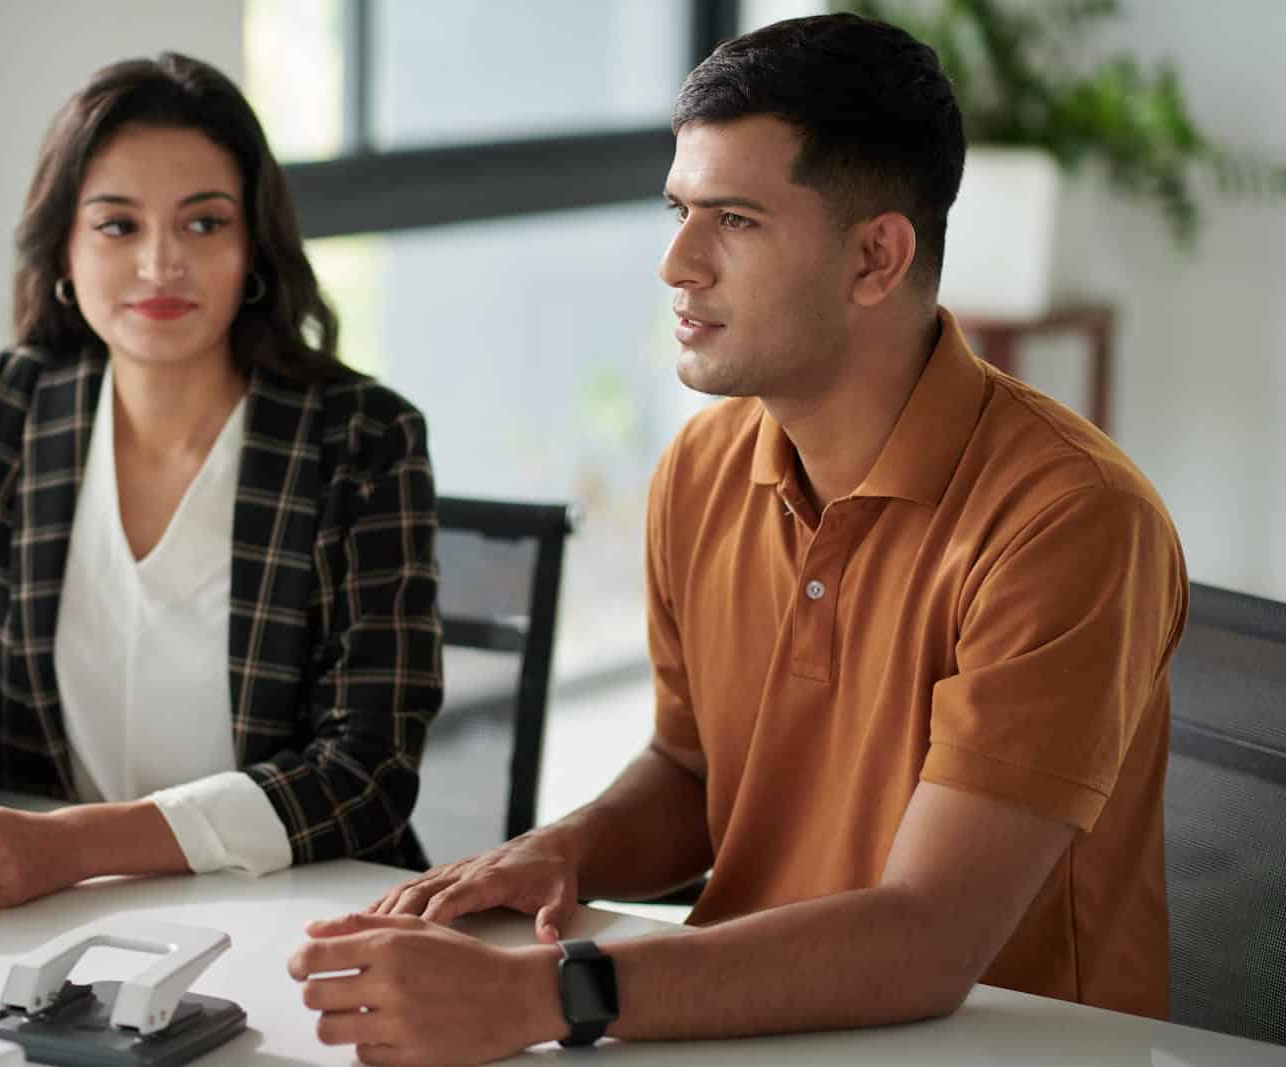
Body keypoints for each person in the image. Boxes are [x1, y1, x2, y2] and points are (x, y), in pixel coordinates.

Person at [287, 14, 1187, 1065]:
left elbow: (927, 937)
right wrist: (563, 848)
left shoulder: (1069, 519)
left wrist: (546, 994)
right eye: (679, 209)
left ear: (875, 257)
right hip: (743, 1026)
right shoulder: (703, 467)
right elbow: (692, 769)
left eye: (736, 220)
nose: (677, 262)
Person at [0, 53, 443, 912]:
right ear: (64, 251)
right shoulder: (0, 415)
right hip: (34, 917)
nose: (160, 264)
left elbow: (365, 770)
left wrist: (75, 846)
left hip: (300, 914)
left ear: (253, 247)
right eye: (118, 225)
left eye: (204, 223)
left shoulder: (362, 440)